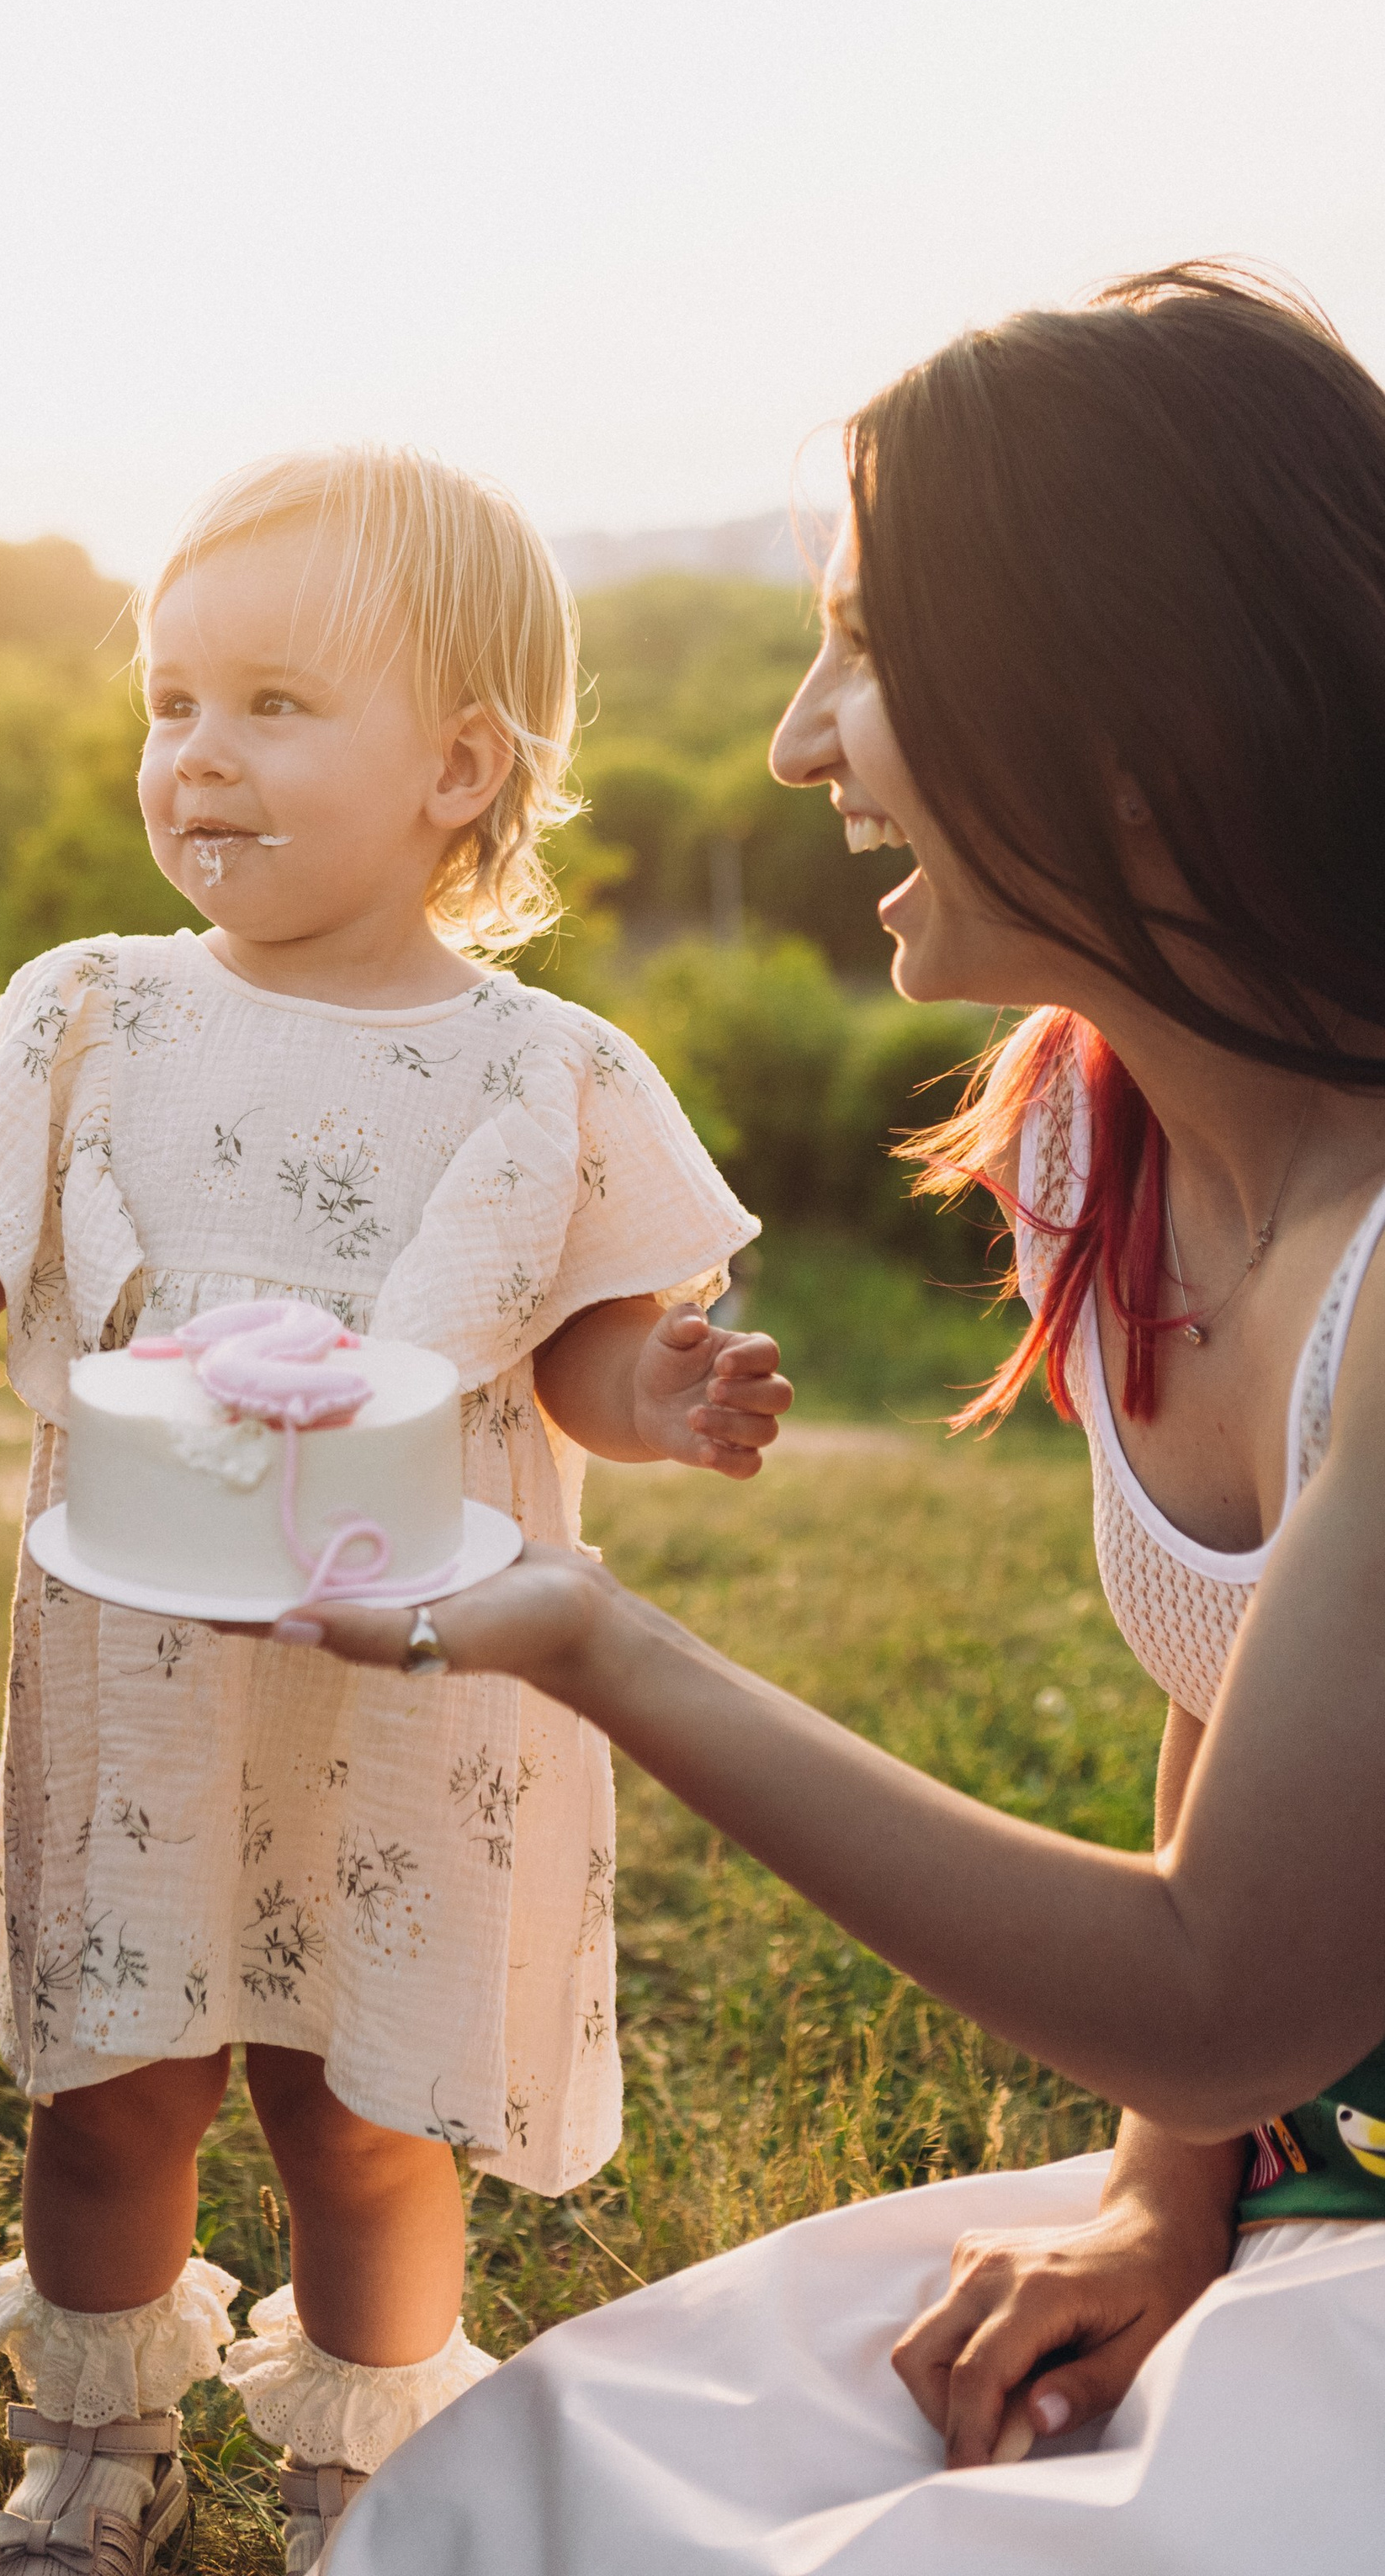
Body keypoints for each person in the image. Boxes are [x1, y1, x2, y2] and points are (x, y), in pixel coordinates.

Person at [284, 266, 1385, 2571]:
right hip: (1300, 2186)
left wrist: (593, 1639)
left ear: (1130, 715)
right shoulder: (1099, 1136)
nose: (797, 742)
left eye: (867, 652)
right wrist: (1154, 2195)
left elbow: (1224, 1990)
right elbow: (1238, 1700)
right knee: (510, 2501)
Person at [0, 447, 793, 2570]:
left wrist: (658, 1391)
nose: (197, 753)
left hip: (408, 1680)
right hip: (145, 1665)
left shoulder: (540, 1070)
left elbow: (578, 1343)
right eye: (171, 700)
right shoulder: (91, 1010)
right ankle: (96, 2442)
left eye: (274, 705)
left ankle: (357, 2470)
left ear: (457, 764)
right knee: (113, 2081)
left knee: (361, 2111)